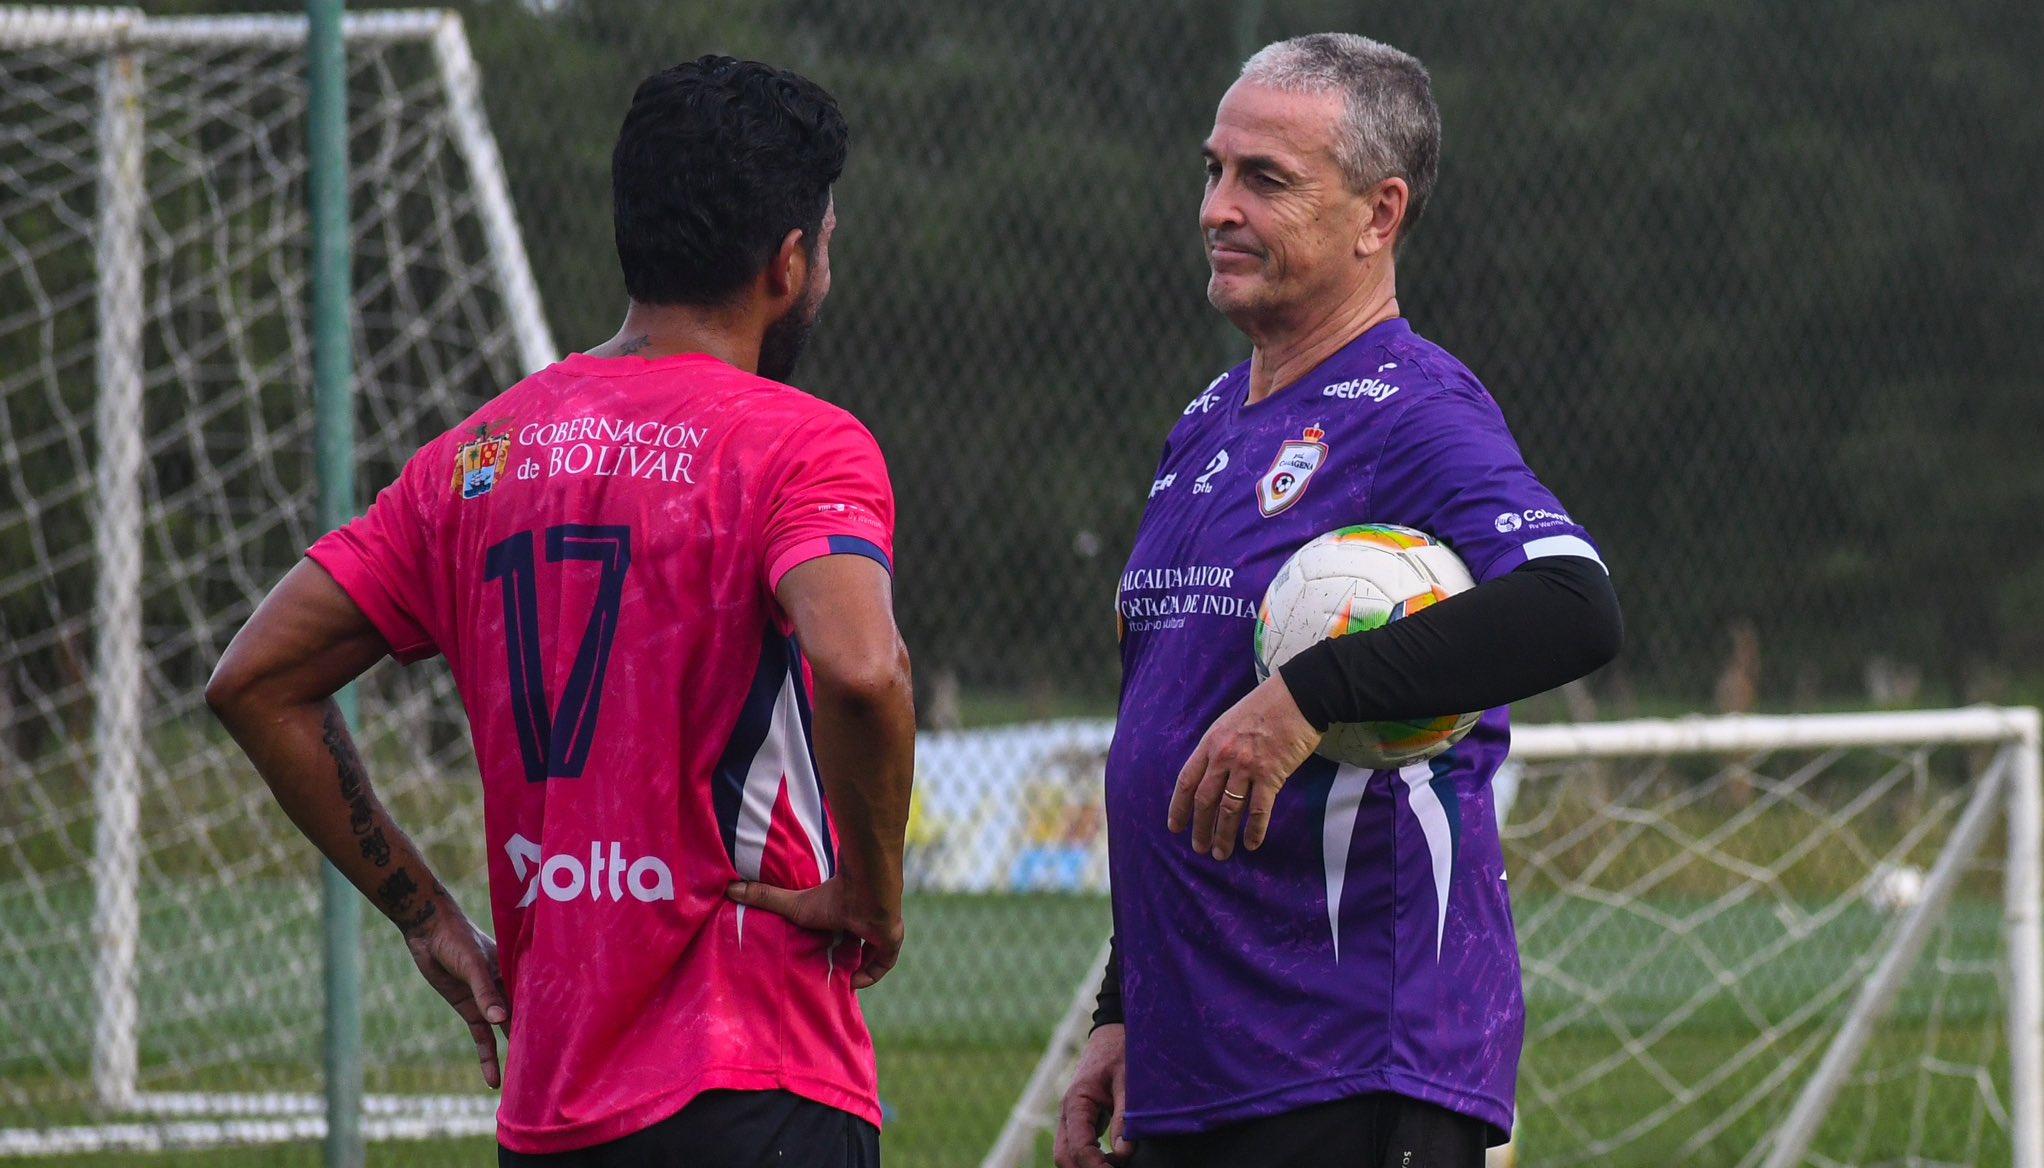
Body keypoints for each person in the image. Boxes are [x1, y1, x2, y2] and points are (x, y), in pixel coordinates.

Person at [207, 56, 913, 1167]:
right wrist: (871, 893)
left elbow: (253, 679)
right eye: (824, 243)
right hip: (756, 1072)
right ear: (788, 263)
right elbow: (864, 670)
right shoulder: (801, 443)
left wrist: (423, 912)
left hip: (553, 1107)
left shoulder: (472, 460)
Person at [1055, 34, 1623, 1168]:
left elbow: (1574, 603)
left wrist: (1311, 693)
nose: (1218, 208)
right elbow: (1177, 723)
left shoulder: (1412, 408)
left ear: (1378, 215)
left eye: (1265, 180)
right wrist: (1123, 1003)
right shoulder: (1206, 424)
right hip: (1200, 1060)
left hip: (1353, 1055)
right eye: (1212, 170)